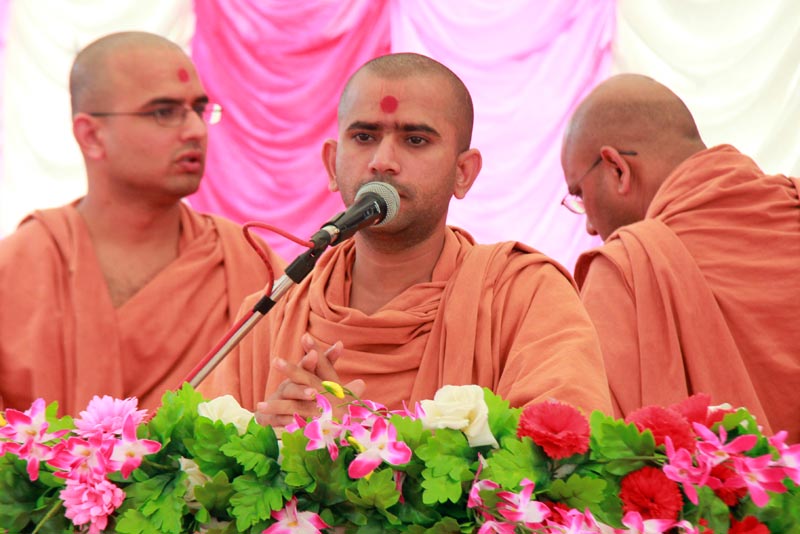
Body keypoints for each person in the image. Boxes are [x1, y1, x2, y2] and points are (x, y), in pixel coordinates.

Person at [201, 52, 613, 428]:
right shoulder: (269, 314)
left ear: (463, 173)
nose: (382, 161)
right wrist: (266, 444)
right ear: (331, 164)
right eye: (364, 137)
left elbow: (563, 450)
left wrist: (357, 439)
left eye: (415, 140)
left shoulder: (525, 296)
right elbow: (202, 464)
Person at [0, 31, 284, 414]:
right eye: (164, 112)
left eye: (198, 110)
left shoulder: (248, 262)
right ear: (91, 135)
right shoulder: (16, 268)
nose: (196, 131)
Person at [560, 73, 800, 441]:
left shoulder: (625, 273)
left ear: (618, 169)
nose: (590, 226)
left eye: (579, 194)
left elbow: (599, 448)